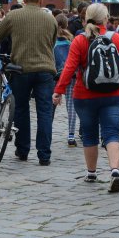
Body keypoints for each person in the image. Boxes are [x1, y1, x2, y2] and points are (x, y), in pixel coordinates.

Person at [53, 4, 119, 192]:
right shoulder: (117, 38)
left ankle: (91, 172)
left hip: (85, 95)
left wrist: (59, 90)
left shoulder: (80, 40)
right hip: (114, 95)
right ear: (106, 19)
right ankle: (114, 170)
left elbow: (69, 69)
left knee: (89, 134)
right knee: (112, 132)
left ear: (86, 18)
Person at [0, 0, 58, 166]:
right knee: (45, 112)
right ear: (41, 0)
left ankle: (22, 149)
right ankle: (44, 155)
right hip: (45, 71)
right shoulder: (50, 19)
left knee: (21, 109)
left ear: (24, 1)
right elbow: (51, 43)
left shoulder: (14, 16)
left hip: (21, 69)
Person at [54, 14, 79, 147]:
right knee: (71, 107)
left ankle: (47, 131)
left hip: (54, 76)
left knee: (49, 108)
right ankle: (71, 135)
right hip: (70, 76)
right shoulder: (71, 41)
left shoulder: (51, 41)